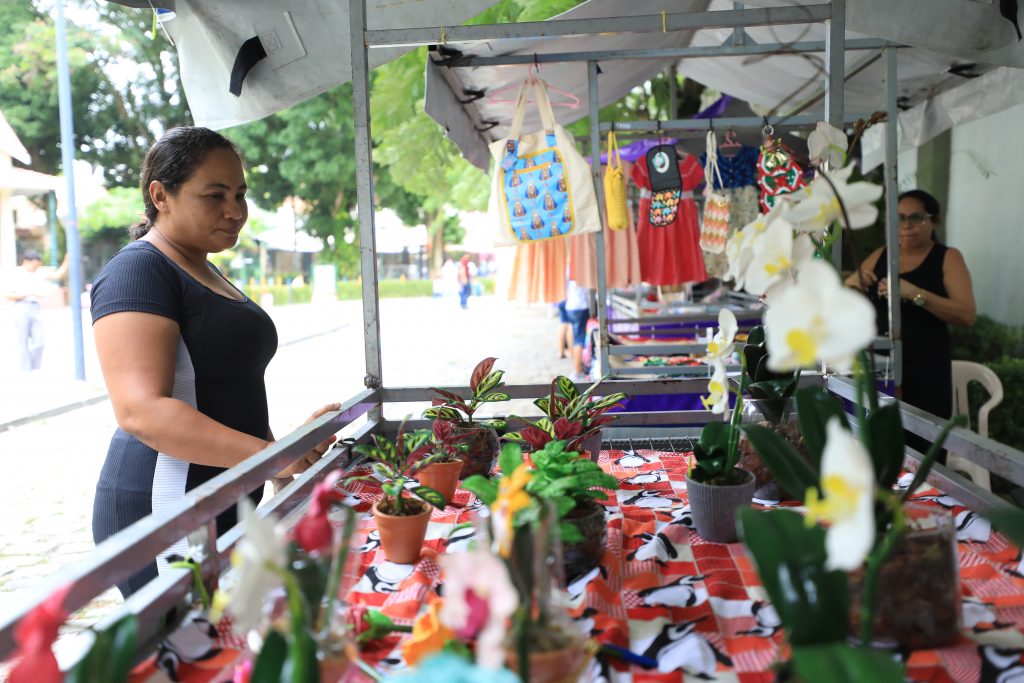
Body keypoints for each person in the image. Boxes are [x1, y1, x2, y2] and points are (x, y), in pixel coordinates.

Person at [89, 127, 339, 597]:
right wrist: (272, 458)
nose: (236, 211)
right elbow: (142, 412)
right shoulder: (138, 271)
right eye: (215, 195)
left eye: (240, 194)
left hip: (220, 498)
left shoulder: (203, 265)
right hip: (165, 502)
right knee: (187, 657)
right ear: (160, 195)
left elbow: (222, 389)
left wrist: (284, 454)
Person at [845, 189, 976, 440]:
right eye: (899, 218)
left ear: (934, 221)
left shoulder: (947, 258)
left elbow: (967, 314)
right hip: (880, 368)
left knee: (922, 445)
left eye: (916, 218)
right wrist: (853, 284)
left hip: (926, 370)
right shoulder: (882, 254)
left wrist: (917, 294)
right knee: (879, 444)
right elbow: (848, 295)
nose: (906, 225)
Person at [5, 249, 68, 371]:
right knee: (23, 342)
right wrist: (28, 292)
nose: (36, 268)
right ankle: (26, 371)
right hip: (20, 307)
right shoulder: (15, 274)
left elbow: (58, 275)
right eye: (34, 265)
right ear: (26, 262)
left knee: (39, 342)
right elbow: (7, 295)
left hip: (35, 307)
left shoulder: (39, 272)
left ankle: (34, 368)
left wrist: (67, 260)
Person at [564, 274, 592, 382]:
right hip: (581, 306)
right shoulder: (583, 270)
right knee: (579, 340)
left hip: (570, 305)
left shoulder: (568, 269)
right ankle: (577, 370)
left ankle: (575, 362)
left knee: (573, 333)